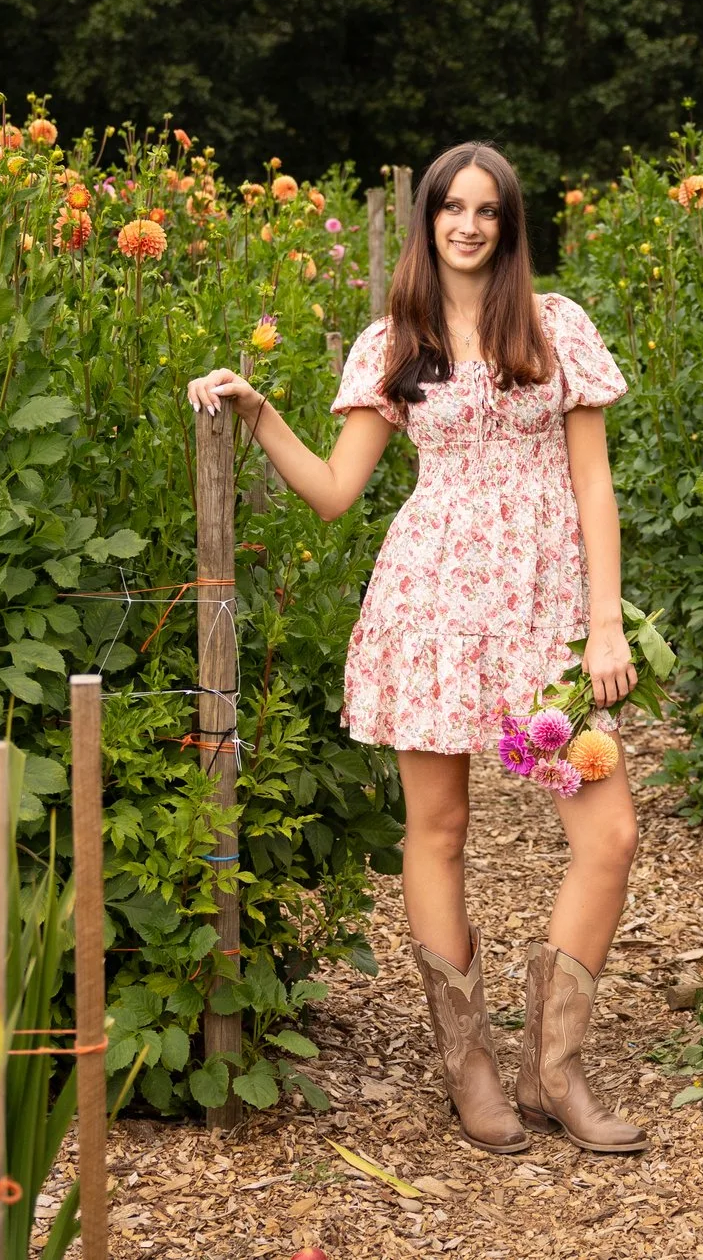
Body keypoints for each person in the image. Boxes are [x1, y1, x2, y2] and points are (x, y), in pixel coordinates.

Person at [186, 141, 648, 1155]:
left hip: (545, 606)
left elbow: (594, 482)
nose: (468, 225)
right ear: (427, 218)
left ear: (509, 225)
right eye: (451, 207)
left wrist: (606, 619)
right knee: (438, 828)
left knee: (608, 832)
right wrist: (260, 412)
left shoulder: (556, 327)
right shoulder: (394, 341)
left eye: (487, 210)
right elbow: (334, 491)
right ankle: (469, 1066)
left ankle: (554, 1067)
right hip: (432, 601)